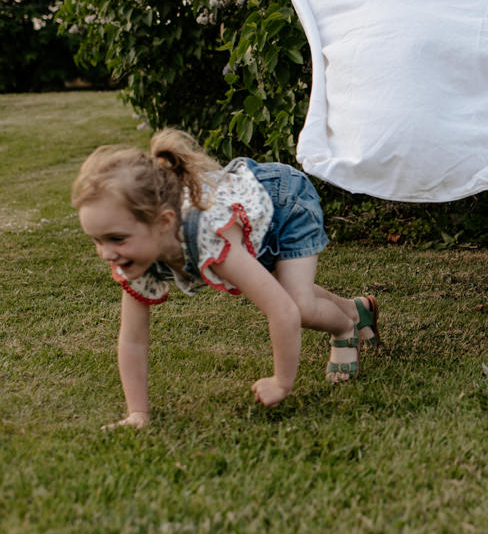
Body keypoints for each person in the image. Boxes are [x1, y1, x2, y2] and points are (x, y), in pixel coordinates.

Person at [71, 128, 380, 429]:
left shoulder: (208, 233)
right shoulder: (137, 258)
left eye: (116, 239)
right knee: (282, 291)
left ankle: (345, 326)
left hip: (284, 203)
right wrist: (137, 412)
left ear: (164, 222)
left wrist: (281, 382)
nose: (106, 254)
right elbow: (133, 339)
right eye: (98, 241)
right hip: (251, 221)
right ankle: (358, 309)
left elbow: (281, 311)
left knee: (298, 305)